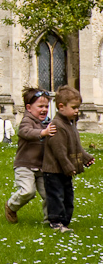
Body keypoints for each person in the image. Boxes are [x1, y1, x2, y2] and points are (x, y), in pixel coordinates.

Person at [42, 85, 95, 232]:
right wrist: (68, 166)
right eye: (74, 107)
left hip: (63, 170)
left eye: (78, 107)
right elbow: (59, 151)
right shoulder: (57, 125)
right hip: (54, 170)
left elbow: (75, 146)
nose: (77, 111)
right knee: (56, 196)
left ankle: (64, 221)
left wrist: (86, 158)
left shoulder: (70, 124)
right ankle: (56, 222)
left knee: (68, 196)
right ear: (61, 106)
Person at [4, 88, 53, 225]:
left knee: (50, 195)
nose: (44, 109)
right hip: (24, 165)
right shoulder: (27, 121)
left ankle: (49, 220)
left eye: (46, 106)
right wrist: (43, 133)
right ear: (29, 108)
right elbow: (26, 132)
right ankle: (11, 206)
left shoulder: (48, 123)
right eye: (40, 106)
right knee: (28, 191)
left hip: (42, 167)